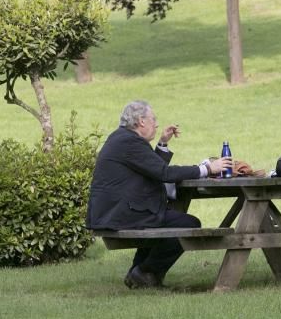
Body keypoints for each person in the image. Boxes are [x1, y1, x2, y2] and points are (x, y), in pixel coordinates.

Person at [86, 100, 232, 289]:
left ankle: (137, 273)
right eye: (153, 119)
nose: (156, 124)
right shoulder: (129, 142)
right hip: (121, 215)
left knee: (167, 220)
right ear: (141, 121)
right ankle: (146, 272)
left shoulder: (123, 138)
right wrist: (207, 168)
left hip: (118, 212)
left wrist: (162, 143)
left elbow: (152, 168)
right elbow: (164, 173)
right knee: (188, 224)